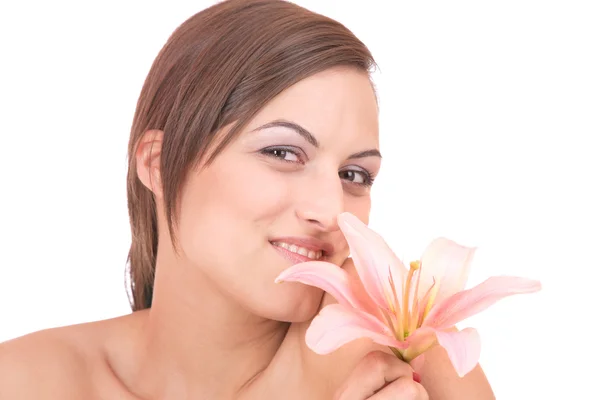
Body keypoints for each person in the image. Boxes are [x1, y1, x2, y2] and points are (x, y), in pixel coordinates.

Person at [0, 1, 495, 398]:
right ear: (157, 164)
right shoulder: (25, 381)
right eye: (282, 152)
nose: (331, 211)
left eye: (354, 174)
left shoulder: (406, 359)